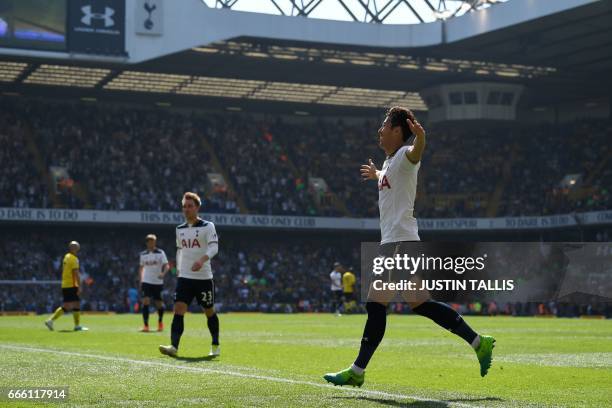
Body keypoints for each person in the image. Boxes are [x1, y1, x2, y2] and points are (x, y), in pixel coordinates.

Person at [324, 107, 495, 387]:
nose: (379, 131)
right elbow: (389, 176)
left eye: (384, 125)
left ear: (396, 131)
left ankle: (357, 370)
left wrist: (421, 139)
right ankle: (479, 342)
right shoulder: (390, 162)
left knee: (375, 304)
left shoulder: (405, 155)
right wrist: (376, 174)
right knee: (421, 305)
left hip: (398, 244)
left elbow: (416, 154)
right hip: (400, 243)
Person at [159, 192, 220, 357]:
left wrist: (202, 260)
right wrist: (179, 269)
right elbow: (180, 250)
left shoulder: (208, 226)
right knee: (178, 309)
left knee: (209, 311)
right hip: (185, 277)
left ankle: (215, 345)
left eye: (190, 206)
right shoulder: (180, 229)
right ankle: (174, 346)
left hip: (204, 278)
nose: (186, 209)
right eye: (184, 206)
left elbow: (214, 247)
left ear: (197, 207)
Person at [45, 241, 88, 331]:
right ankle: (75, 326)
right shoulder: (74, 259)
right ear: (75, 248)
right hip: (72, 284)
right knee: (73, 305)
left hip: (65, 284)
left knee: (69, 305)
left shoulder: (66, 257)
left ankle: (51, 321)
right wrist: (80, 286)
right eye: (77, 247)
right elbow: (76, 273)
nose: (78, 248)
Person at [138, 234, 169, 332]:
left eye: (154, 241)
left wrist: (163, 274)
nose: (152, 243)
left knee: (159, 303)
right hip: (146, 281)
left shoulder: (160, 253)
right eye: (150, 241)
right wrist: (141, 280)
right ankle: (146, 325)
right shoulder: (143, 254)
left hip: (157, 282)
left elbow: (167, 266)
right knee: (145, 301)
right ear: (147, 243)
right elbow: (141, 268)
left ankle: (160, 322)